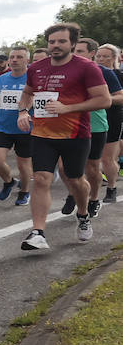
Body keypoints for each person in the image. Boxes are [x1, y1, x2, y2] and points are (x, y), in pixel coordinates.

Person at [16, 23, 111, 250]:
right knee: (41, 178)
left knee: (75, 180)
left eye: (61, 41)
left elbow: (104, 100)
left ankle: (83, 213)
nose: (55, 46)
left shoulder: (87, 68)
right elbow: (28, 93)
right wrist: (22, 111)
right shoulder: (36, 68)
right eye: (52, 42)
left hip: (75, 135)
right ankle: (38, 232)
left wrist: (67, 108)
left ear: (72, 44)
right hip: (42, 134)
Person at [68, 36, 122, 218]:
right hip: (70, 124)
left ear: (92, 53)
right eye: (74, 50)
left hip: (101, 122)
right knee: (65, 167)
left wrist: (97, 101)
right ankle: (74, 193)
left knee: (98, 164)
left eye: (80, 51)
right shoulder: (65, 71)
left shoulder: (104, 72)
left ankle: (101, 194)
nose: (75, 55)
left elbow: (120, 96)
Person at [0, 47, 34, 206]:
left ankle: (24, 192)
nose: (14, 60)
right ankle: (9, 181)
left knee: (24, 165)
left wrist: (26, 107)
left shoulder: (33, 78)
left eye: (19, 57)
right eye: (12, 57)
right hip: (4, 126)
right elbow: (0, 95)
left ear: (27, 60)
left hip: (25, 128)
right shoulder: (2, 79)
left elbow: (37, 97)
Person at [93, 44, 123, 204]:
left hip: (113, 117)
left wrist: (104, 99)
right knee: (90, 159)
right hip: (92, 118)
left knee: (107, 158)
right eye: (99, 56)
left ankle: (112, 188)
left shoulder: (118, 74)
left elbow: (121, 97)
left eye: (106, 56)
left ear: (115, 58)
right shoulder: (91, 72)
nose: (101, 59)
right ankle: (92, 190)